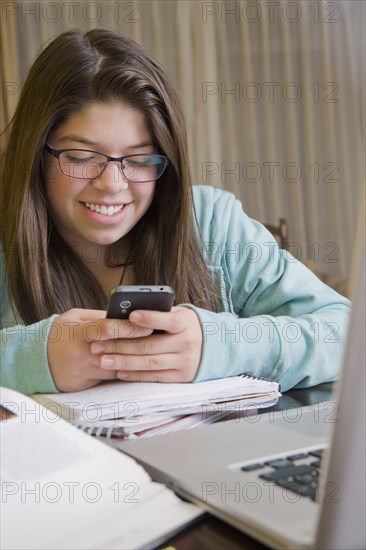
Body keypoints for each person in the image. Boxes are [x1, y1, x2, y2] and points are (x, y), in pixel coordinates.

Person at [0, 29, 351, 396]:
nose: (113, 184)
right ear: (36, 154)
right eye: (82, 157)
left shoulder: (214, 224)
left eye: (139, 160)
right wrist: (30, 358)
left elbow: (344, 332)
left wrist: (220, 345)